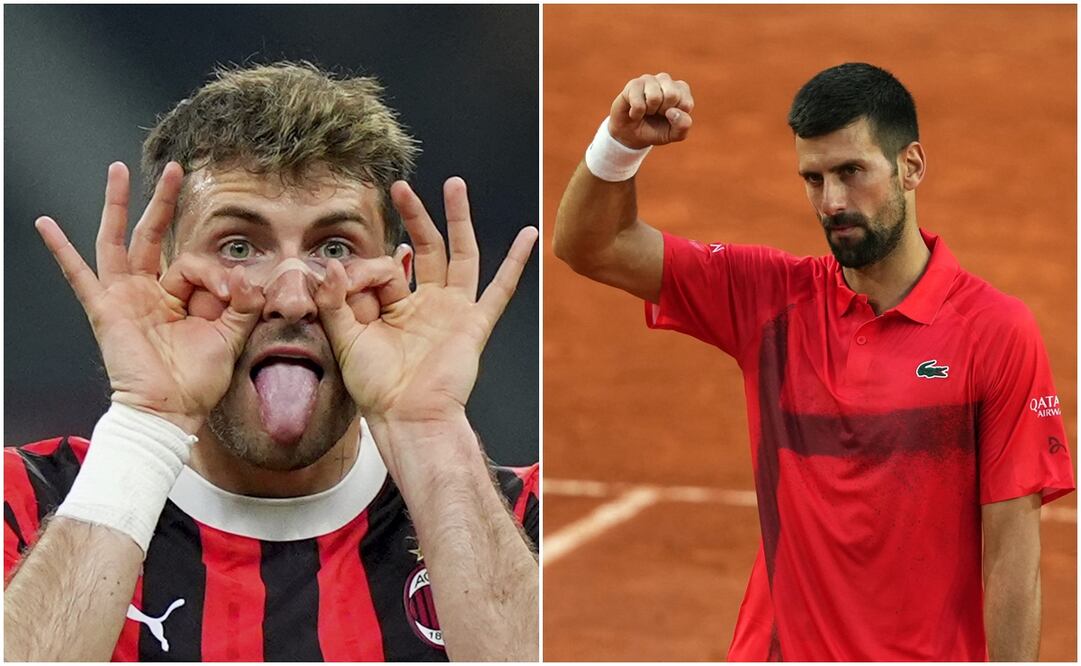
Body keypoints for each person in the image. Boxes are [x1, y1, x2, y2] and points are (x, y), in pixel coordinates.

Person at [4, 62, 539, 662]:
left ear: (397, 286)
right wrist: (145, 422)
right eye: (238, 247)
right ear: (159, 278)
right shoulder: (18, 503)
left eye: (334, 248)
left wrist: (430, 429)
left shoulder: (532, 517)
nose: (291, 299)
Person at [553, 63, 1074, 661]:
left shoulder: (995, 332)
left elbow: (1012, 557)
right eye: (814, 178)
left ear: (911, 166)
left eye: (851, 172)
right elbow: (593, 245)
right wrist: (619, 146)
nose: (833, 203)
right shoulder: (768, 299)